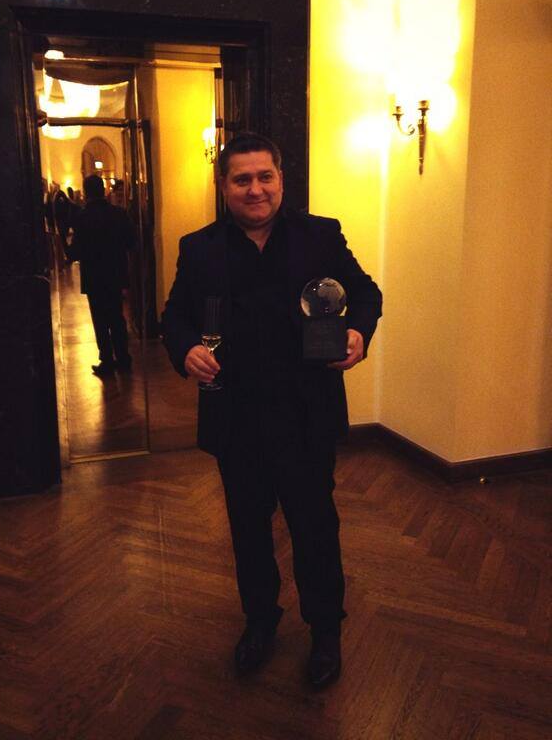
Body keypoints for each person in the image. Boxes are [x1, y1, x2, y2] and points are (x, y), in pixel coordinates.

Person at [161, 132, 382, 688]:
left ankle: (325, 631)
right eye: (242, 179)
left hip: (305, 414)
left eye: (265, 177)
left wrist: (358, 332)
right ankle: (260, 621)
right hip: (235, 417)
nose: (255, 189)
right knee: (248, 529)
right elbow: (174, 316)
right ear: (224, 186)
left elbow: (367, 293)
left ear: (281, 180)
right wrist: (185, 349)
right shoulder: (199, 248)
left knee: (315, 526)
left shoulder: (320, 235)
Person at [69, 174, 136, 377]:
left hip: (94, 276)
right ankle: (123, 357)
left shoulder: (81, 217)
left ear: (86, 192)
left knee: (99, 319)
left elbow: (76, 251)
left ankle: (106, 359)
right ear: (103, 190)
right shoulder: (118, 214)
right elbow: (131, 241)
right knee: (117, 316)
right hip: (115, 273)